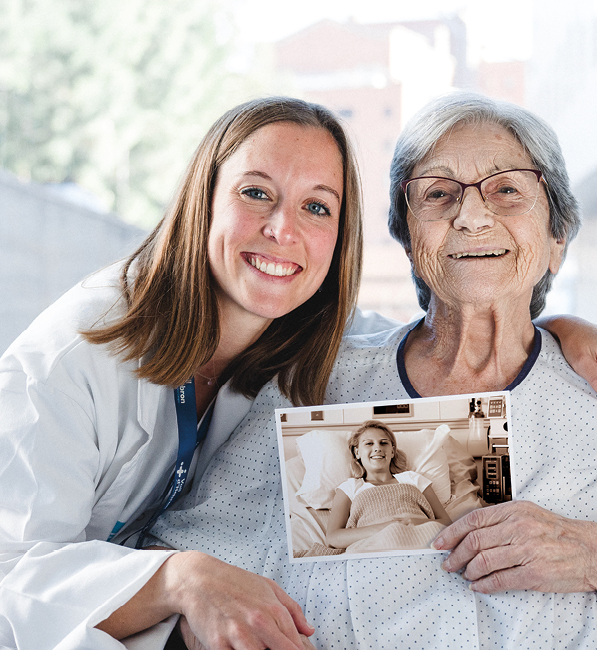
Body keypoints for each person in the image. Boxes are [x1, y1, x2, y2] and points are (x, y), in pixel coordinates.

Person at [0, 96, 383, 650]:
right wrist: (181, 579)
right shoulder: (73, 353)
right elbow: (5, 579)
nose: (283, 229)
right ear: (203, 201)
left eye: (317, 208)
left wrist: (473, 511)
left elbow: (436, 362)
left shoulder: (307, 347)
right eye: (256, 193)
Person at [150, 92, 597, 649]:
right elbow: (184, 569)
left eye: (507, 189)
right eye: (438, 193)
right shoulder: (315, 384)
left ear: (558, 238)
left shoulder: (590, 391)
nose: (472, 215)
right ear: (408, 240)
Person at [324, 420, 451, 553]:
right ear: (357, 453)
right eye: (369, 443)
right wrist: (389, 527)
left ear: (392, 451)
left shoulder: (413, 479)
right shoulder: (349, 487)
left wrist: (414, 522)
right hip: (374, 547)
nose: (377, 448)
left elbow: (447, 523)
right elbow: (333, 538)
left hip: (421, 538)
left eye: (384, 443)